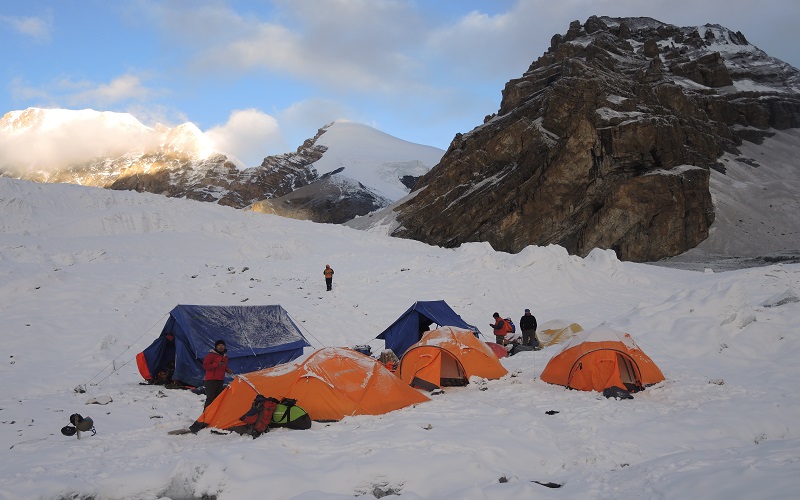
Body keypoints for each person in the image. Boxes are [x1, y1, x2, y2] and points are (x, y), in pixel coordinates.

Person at [202, 339, 233, 408]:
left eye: (222, 345)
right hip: (211, 380)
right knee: (210, 399)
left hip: (220, 380)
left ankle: (214, 416)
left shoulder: (225, 356)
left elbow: (223, 367)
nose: (221, 347)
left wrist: (227, 370)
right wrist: (216, 364)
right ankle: (205, 416)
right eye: (219, 345)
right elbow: (205, 366)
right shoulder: (210, 355)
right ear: (216, 346)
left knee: (217, 399)